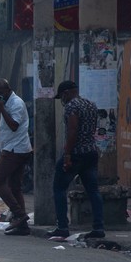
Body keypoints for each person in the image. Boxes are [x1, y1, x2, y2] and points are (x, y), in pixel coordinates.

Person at [47, 80, 105, 239]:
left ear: (66, 93)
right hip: (91, 152)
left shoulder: (71, 107)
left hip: (76, 153)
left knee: (59, 188)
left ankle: (63, 227)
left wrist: (67, 154)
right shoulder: (91, 105)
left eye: (62, 97)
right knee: (93, 191)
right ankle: (99, 227)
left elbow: (73, 131)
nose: (62, 101)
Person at [0, 79, 32, 236]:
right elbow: (5, 125)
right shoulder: (7, 103)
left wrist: (1, 108)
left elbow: (13, 126)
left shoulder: (16, 104)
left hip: (15, 149)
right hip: (14, 147)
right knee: (15, 186)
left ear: (8, 89)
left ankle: (18, 214)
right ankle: (23, 227)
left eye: (0, 92)